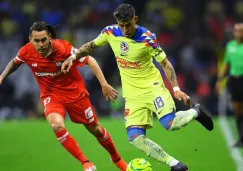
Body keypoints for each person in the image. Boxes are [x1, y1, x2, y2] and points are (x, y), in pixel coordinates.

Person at [61, 4, 214, 171]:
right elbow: (91, 46)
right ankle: (175, 165)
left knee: (170, 124)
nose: (125, 29)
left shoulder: (147, 38)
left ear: (135, 19)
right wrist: (73, 56)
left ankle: (196, 111)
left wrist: (176, 89)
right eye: (122, 25)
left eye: (128, 24)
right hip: (132, 95)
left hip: (152, 87)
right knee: (135, 138)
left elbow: (166, 64)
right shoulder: (110, 32)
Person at [0, 21, 127, 171]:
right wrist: (2, 76)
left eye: (43, 40)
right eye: (36, 41)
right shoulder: (26, 51)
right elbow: (15, 63)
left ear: (50, 38)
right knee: (56, 125)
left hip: (75, 94)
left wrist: (104, 85)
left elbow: (90, 60)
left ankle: (117, 160)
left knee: (96, 129)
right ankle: (86, 163)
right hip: (51, 95)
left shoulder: (63, 49)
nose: (40, 44)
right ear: (30, 40)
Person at [216, 23, 243, 148]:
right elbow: (226, 65)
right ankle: (241, 138)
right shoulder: (230, 46)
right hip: (234, 80)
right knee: (237, 110)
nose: (239, 33)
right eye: (237, 31)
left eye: (241, 31)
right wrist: (219, 80)